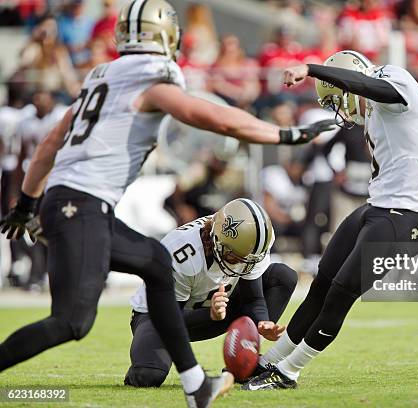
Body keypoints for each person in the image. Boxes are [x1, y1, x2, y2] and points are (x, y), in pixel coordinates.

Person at [0, 1, 334, 407]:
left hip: (76, 203)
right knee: (72, 322)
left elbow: (52, 142)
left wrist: (28, 203)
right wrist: (286, 136)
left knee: (156, 266)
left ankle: (197, 386)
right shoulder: (150, 79)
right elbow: (216, 118)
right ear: (166, 37)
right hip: (80, 206)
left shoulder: (102, 77)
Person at [243, 50, 418, 390]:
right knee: (319, 287)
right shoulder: (382, 111)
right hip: (376, 208)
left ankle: (289, 372)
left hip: (406, 217)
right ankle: (269, 362)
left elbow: (367, 84)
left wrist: (310, 69)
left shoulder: (395, 81)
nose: (341, 110)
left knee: (339, 294)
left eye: (338, 99)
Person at [125, 198, 297, 388]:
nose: (241, 264)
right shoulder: (181, 253)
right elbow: (170, 318)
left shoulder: (252, 244)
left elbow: (253, 299)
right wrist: (211, 314)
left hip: (216, 309)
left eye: (246, 259)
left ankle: (243, 365)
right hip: (159, 317)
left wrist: (263, 322)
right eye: (233, 256)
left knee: (283, 277)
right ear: (216, 240)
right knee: (147, 375)